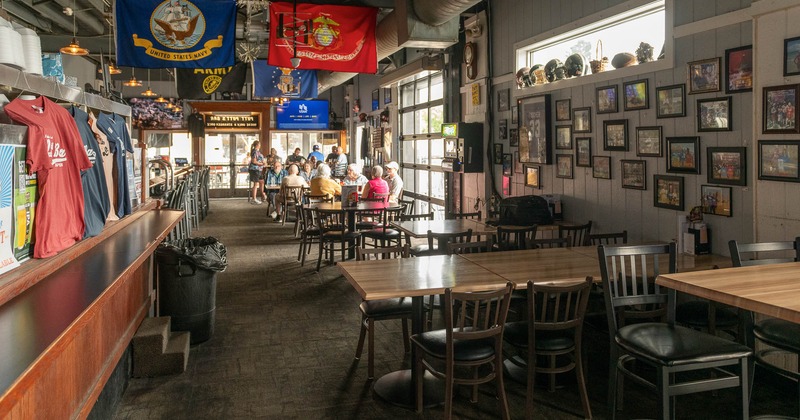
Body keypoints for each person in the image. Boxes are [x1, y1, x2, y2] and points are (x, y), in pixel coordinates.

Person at [248, 140, 266, 204]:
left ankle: (262, 195)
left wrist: (263, 162)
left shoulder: (257, 152)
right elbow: (254, 161)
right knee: (256, 184)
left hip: (259, 170)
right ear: (257, 145)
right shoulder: (254, 151)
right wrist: (261, 164)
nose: (260, 145)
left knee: (262, 181)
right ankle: (254, 199)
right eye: (259, 144)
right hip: (255, 169)